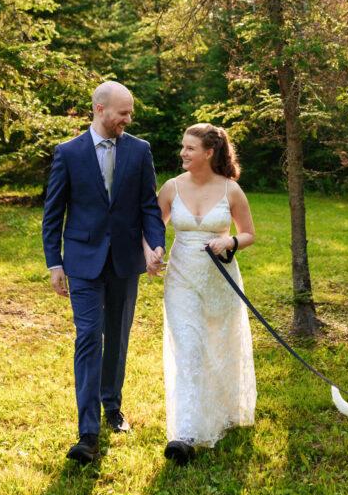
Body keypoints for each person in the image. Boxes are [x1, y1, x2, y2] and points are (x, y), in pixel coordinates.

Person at [42, 81, 166, 464]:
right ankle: (88, 433)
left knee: (118, 336)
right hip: (82, 261)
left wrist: (156, 242)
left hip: (125, 261)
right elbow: (53, 213)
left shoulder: (140, 150)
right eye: (122, 113)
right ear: (99, 109)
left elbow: (148, 204)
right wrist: (54, 262)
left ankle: (112, 405)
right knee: (88, 339)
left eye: (130, 114)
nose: (127, 120)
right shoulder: (69, 153)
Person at [155, 123, 257, 465]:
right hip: (181, 279)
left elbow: (248, 235)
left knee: (218, 346)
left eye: (190, 148)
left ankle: (224, 412)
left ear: (209, 153)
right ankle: (185, 434)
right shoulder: (171, 188)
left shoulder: (232, 191)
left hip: (220, 280)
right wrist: (150, 251)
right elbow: (153, 228)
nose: (183, 153)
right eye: (182, 147)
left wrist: (229, 241)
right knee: (190, 349)